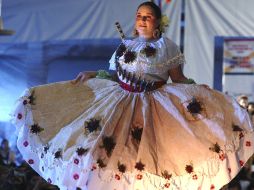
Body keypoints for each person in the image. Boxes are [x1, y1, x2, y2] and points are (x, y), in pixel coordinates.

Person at [12, 2, 254, 190]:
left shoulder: (166, 46)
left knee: (149, 157)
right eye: (139, 16)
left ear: (158, 21)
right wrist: (93, 73)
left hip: (152, 106)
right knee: (102, 151)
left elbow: (177, 78)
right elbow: (116, 75)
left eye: (147, 17)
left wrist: (199, 90)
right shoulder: (126, 45)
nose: (142, 20)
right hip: (118, 100)